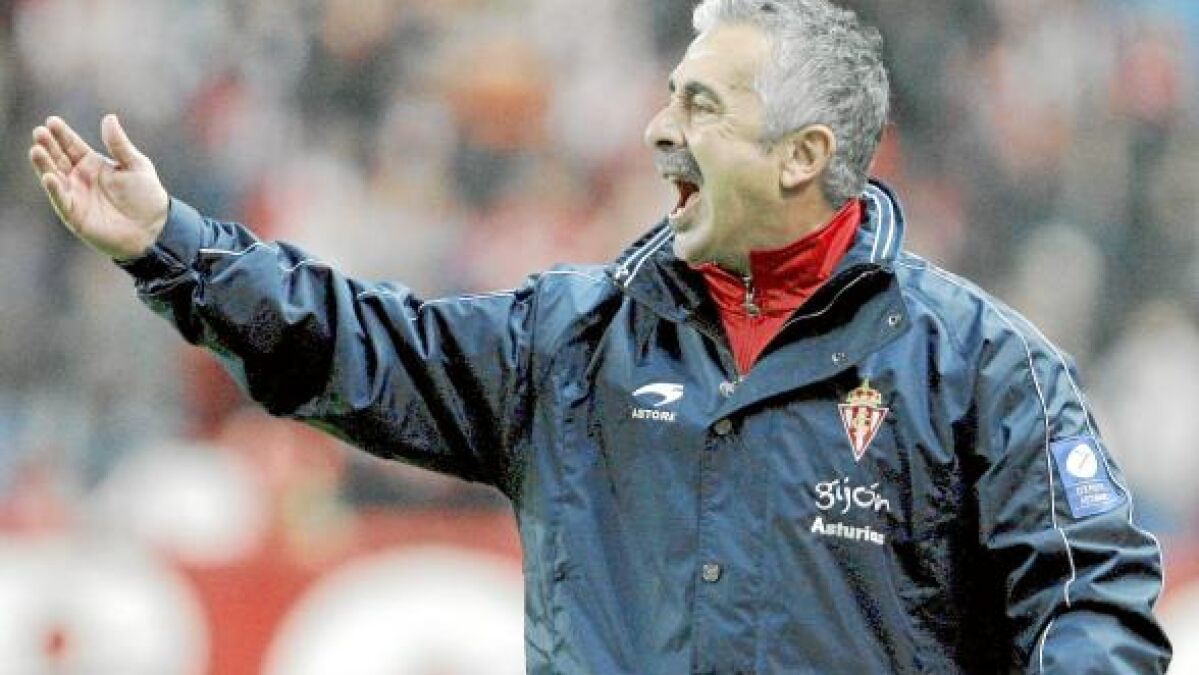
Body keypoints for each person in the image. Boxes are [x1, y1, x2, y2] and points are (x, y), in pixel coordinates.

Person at [28, 0, 1170, 672]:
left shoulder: (983, 366)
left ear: (802, 156)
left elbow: (1091, 604)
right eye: (669, 93)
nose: (656, 126)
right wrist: (172, 245)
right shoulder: (571, 339)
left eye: (700, 105)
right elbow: (352, 346)